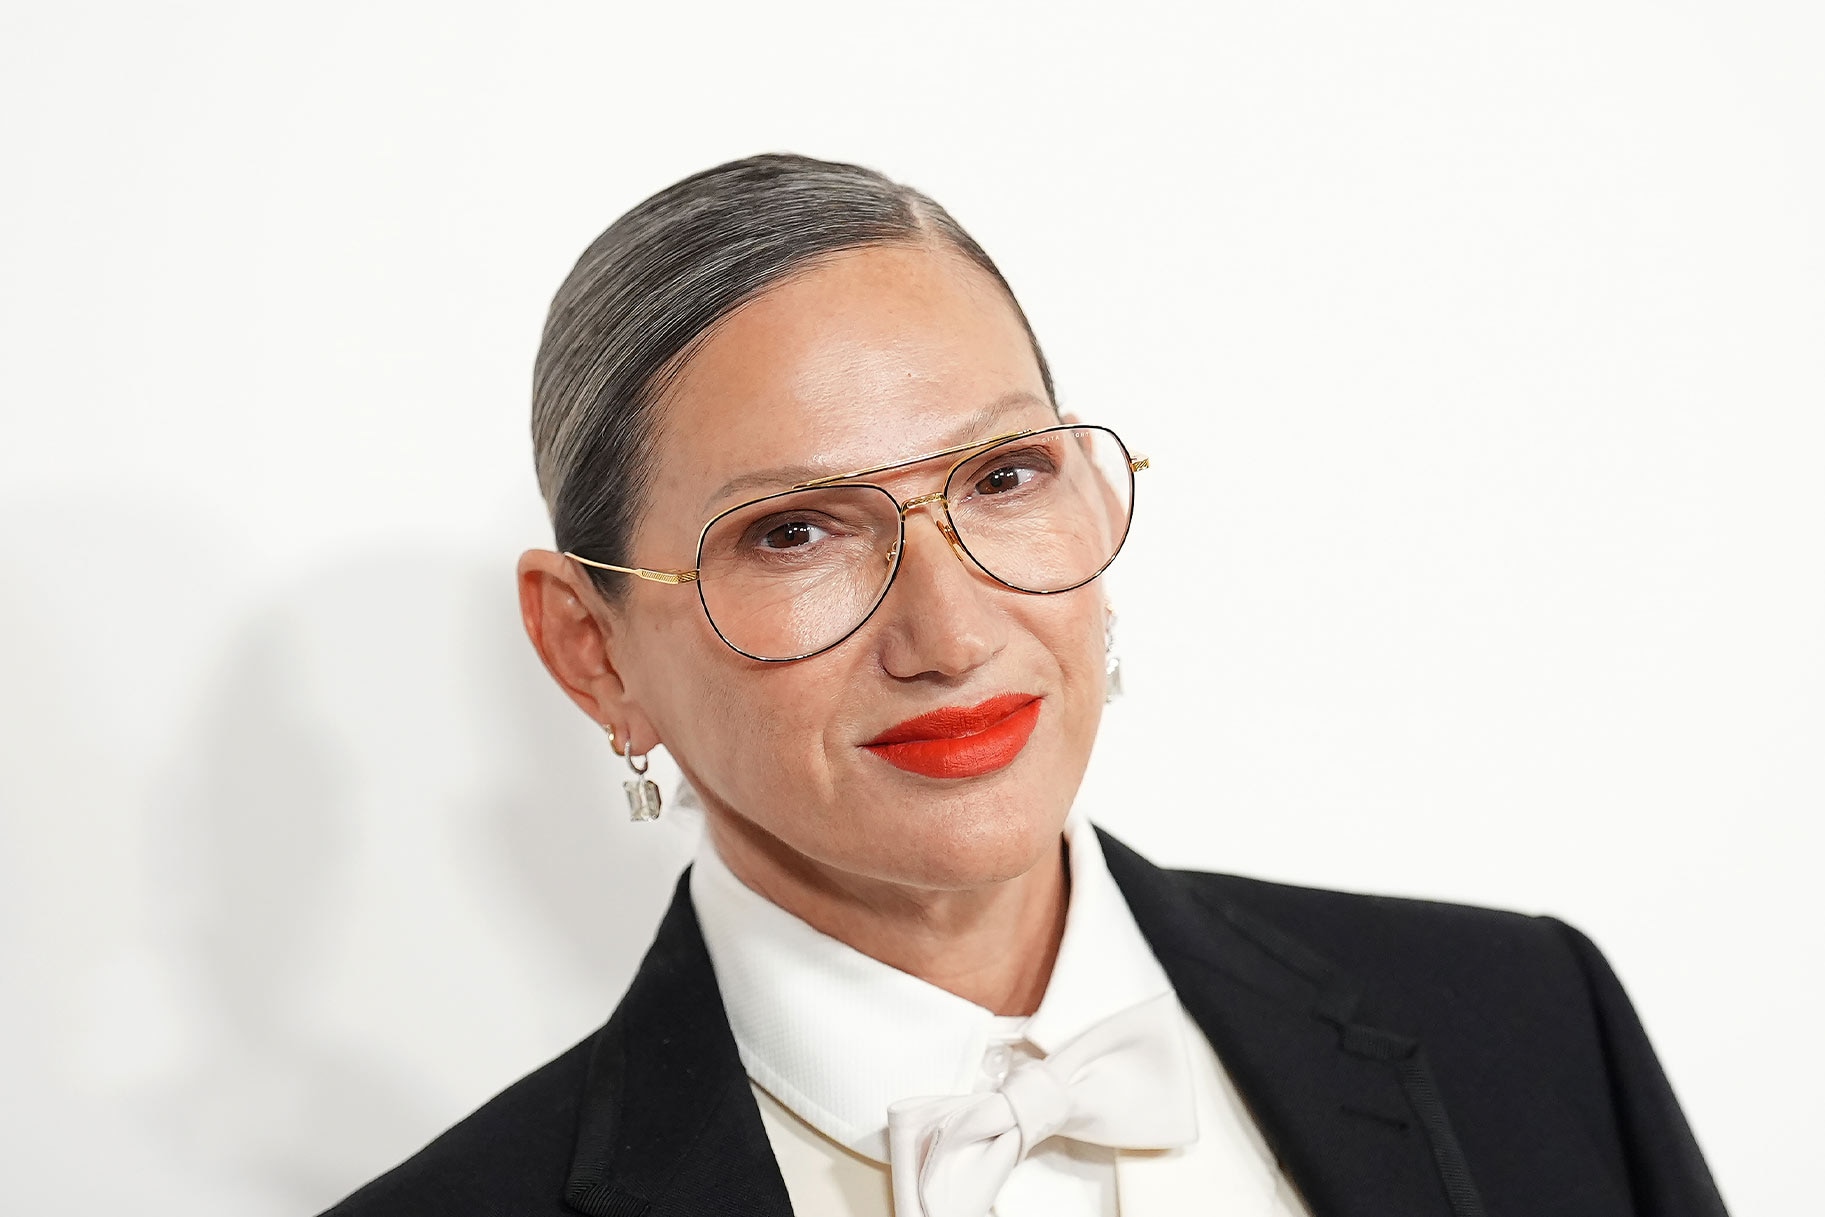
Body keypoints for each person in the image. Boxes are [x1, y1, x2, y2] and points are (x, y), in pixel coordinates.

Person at [320, 153, 1727, 1217]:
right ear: (592, 649)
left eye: (1003, 478)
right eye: (793, 530)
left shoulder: (1529, 1018)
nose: (948, 629)